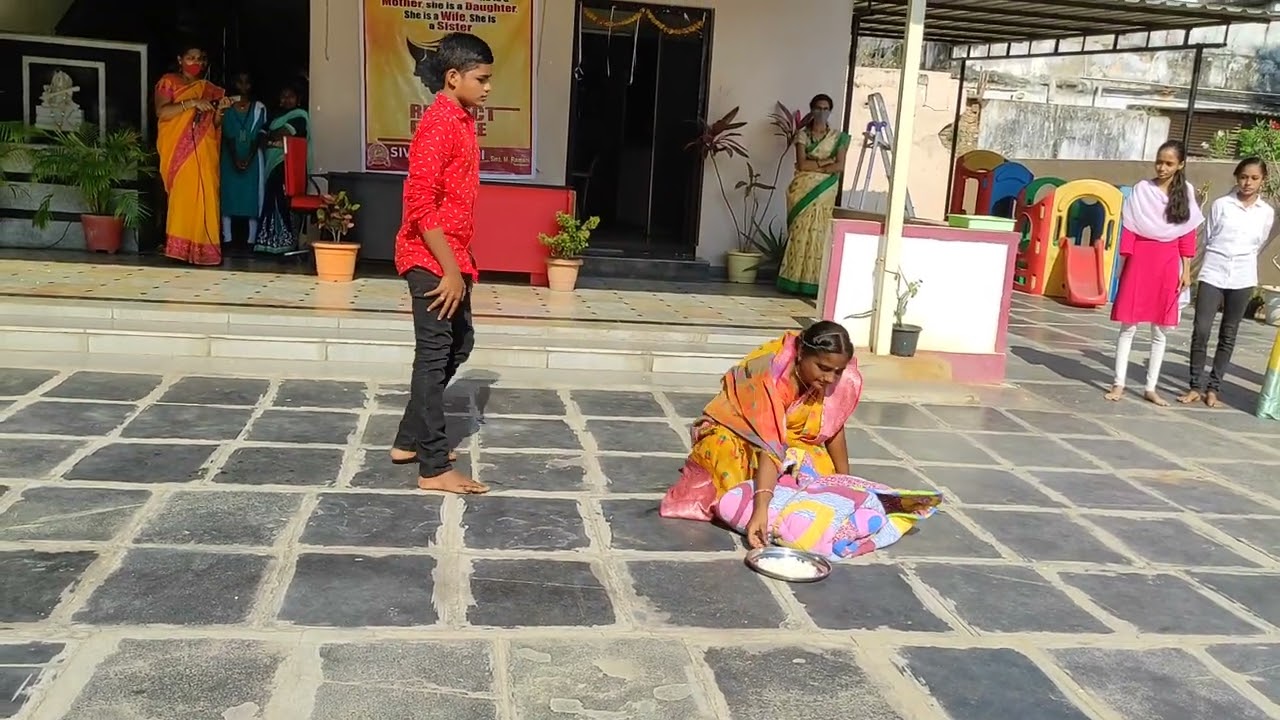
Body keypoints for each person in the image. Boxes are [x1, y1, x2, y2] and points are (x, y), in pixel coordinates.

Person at [388, 33, 493, 495]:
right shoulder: (439, 124)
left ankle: (408, 441)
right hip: (430, 258)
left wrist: (460, 264)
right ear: (454, 78)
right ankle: (433, 467)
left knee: (459, 345)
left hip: (453, 256)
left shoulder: (463, 119)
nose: (488, 87)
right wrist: (449, 270)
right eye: (481, 79)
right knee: (433, 359)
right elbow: (418, 202)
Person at [660, 320, 862, 546]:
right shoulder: (770, 377)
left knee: (822, 471)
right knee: (733, 470)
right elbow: (770, 445)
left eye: (838, 372)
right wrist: (761, 511)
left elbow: (833, 424)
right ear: (802, 353)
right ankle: (767, 510)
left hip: (788, 441)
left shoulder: (831, 379)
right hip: (740, 432)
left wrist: (846, 483)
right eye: (823, 368)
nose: (830, 379)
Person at [1105, 140, 1203, 406]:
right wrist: (1123, 266)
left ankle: (1150, 387)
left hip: (1169, 264)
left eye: (1169, 163)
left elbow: (1186, 234)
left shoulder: (1187, 192)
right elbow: (1130, 228)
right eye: (1159, 161)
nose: (1162, 167)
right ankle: (1119, 382)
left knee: (1161, 330)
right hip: (1140, 261)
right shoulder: (1142, 190)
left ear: (1180, 165)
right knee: (1129, 326)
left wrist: (1186, 271)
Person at [1179, 158, 1275, 408]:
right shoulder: (1221, 205)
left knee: (1229, 333)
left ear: (1262, 180)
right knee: (1201, 329)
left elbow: (1260, 242)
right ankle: (1195, 385)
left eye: (1254, 178)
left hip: (1243, 275)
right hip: (1214, 271)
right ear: (1237, 177)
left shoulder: (1266, 212)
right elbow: (1210, 236)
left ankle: (1214, 387)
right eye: (1244, 177)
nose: (1248, 182)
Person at [154, 44, 232, 265]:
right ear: (180, 59)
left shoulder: (210, 89)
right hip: (180, 153)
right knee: (183, 199)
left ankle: (204, 251)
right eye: (190, 57)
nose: (195, 62)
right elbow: (162, 111)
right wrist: (191, 103)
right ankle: (178, 250)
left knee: (207, 196)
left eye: (200, 58)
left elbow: (214, 124)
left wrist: (220, 111)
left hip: (204, 151)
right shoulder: (168, 81)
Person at [777, 94, 851, 297]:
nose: (822, 112)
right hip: (802, 189)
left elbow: (840, 166)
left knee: (819, 233)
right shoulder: (802, 135)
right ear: (812, 109)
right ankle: (792, 281)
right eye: (818, 108)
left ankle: (814, 282)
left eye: (826, 109)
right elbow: (801, 164)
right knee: (800, 232)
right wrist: (825, 163)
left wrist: (817, 166)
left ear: (830, 111)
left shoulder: (839, 137)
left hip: (825, 191)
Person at [254, 85, 311, 254]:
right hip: (271, 164)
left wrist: (270, 137)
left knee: (282, 199)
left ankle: (286, 241)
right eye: (283, 96)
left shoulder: (300, 116)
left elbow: (284, 134)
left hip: (287, 165)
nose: (287, 100)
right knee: (271, 199)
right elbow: (260, 137)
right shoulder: (273, 117)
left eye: (290, 96)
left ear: (298, 98)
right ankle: (269, 241)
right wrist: (272, 137)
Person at [219, 71, 267, 247]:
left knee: (252, 196)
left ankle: (251, 239)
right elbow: (226, 134)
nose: (244, 86)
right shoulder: (226, 106)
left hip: (252, 157)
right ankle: (228, 237)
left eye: (247, 82)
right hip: (229, 156)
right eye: (240, 82)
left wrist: (249, 157)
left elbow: (260, 135)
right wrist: (235, 158)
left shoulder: (259, 108)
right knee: (228, 194)